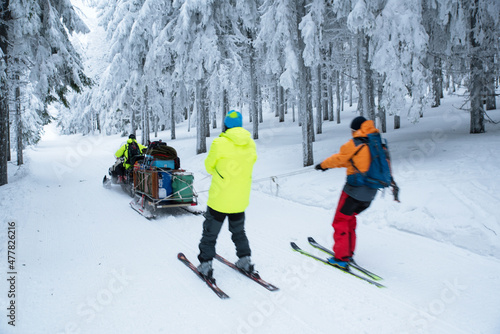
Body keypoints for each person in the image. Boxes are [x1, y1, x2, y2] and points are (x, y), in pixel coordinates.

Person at [197, 110, 258, 278]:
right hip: (240, 199)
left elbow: (209, 166)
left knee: (210, 232)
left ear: (225, 125)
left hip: (220, 199)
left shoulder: (219, 143)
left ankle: (205, 263)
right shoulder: (250, 143)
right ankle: (245, 260)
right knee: (239, 231)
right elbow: (252, 161)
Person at [314, 116, 379, 270]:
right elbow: (348, 161)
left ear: (356, 129)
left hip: (353, 192)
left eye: (351, 130)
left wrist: (323, 165)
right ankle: (348, 252)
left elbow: (339, 158)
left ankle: (341, 258)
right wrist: (327, 166)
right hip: (370, 193)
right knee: (350, 219)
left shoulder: (355, 143)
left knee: (340, 221)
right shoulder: (375, 143)